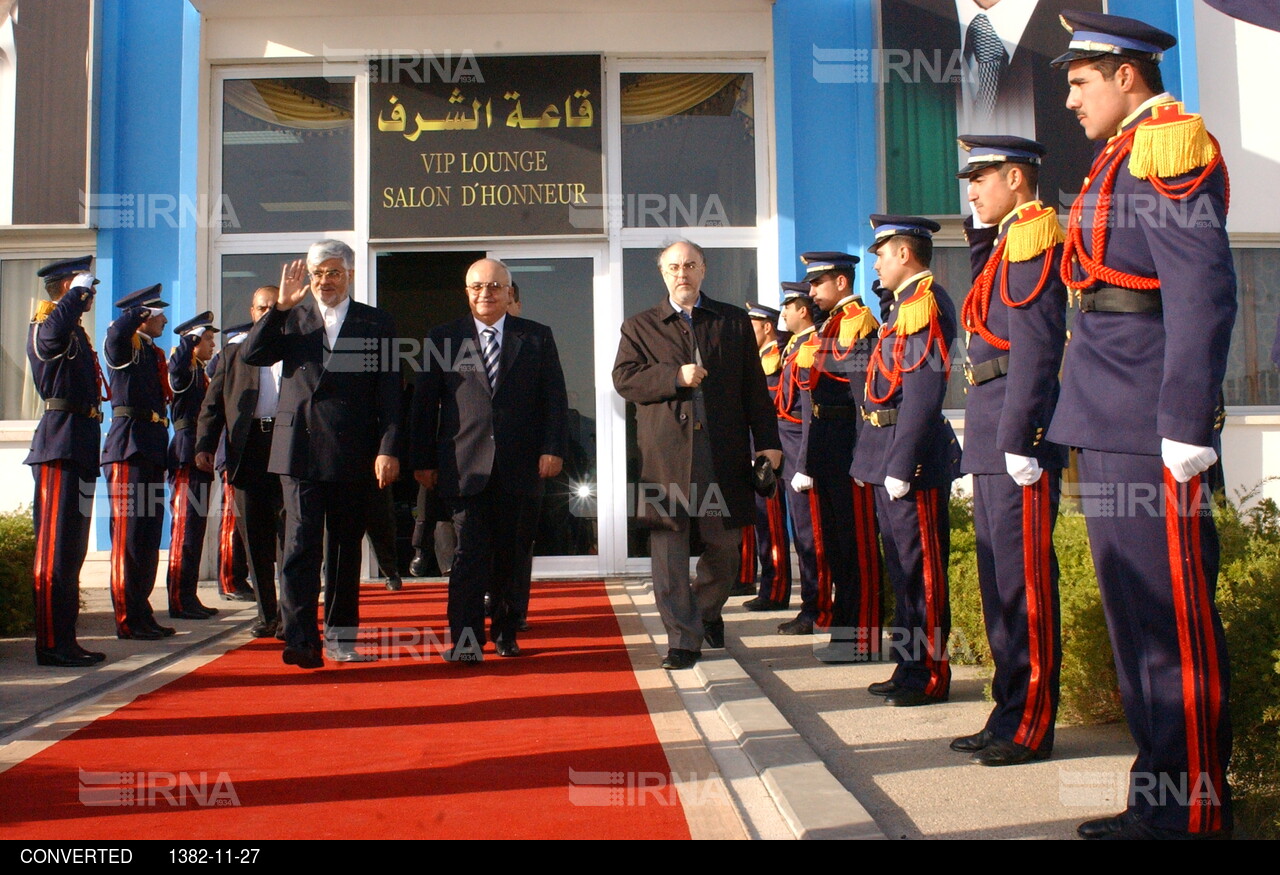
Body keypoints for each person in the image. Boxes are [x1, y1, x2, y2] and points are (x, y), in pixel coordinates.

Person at [1049, 10, 1234, 839]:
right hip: (1108, 412)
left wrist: (1188, 418)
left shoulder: (1168, 147)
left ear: (1128, 74)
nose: (1069, 99)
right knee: (1134, 623)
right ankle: (1159, 797)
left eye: (1080, 81)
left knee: (1172, 621)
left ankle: (1194, 810)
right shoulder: (1114, 160)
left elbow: (1203, 290)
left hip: (1155, 419)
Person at [950, 134, 1067, 766]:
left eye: (982, 179)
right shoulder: (1000, 246)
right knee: (999, 587)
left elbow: (1038, 345)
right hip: (992, 425)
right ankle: (1006, 713)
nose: (971, 192)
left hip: (1015, 430)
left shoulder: (1032, 239)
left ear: (1017, 178)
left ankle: (1031, 723)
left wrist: (1022, 435)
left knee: (1025, 587)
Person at [612, 240, 782, 671]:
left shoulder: (732, 321)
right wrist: (675, 376)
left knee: (725, 545)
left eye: (690, 264)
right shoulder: (640, 326)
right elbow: (624, 380)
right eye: (673, 267)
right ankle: (682, 640)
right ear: (662, 274)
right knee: (669, 552)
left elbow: (754, 390)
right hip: (665, 459)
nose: (682, 273)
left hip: (720, 455)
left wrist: (769, 442)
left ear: (703, 269)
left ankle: (706, 612)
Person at [240, 241, 401, 667]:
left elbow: (389, 393)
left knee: (346, 552)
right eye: (317, 273)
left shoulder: (376, 322)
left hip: (354, 452)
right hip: (299, 452)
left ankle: (341, 640)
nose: (324, 281)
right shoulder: (290, 317)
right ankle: (299, 639)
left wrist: (387, 448)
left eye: (333, 273)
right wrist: (278, 309)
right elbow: (251, 354)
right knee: (299, 547)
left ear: (349, 274)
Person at [409, 258, 568, 662]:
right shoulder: (443, 338)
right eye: (477, 286)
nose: (486, 293)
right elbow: (425, 405)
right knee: (467, 557)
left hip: (521, 466)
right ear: (467, 292)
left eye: (495, 286)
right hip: (465, 467)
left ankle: (505, 633)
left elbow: (555, 400)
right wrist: (422, 459)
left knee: (512, 555)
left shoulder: (536, 337)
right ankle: (466, 642)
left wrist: (553, 448)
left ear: (509, 292)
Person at [851, 216, 960, 706]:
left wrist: (902, 463)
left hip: (908, 458)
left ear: (904, 255)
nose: (875, 262)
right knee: (901, 570)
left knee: (923, 575)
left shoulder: (924, 304)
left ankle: (931, 673)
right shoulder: (900, 308)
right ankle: (908, 663)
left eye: (881, 252)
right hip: (886, 450)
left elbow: (922, 392)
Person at [786, 252, 884, 663]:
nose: (811, 292)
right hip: (828, 447)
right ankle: (845, 634)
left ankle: (862, 639)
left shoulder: (859, 322)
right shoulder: (829, 326)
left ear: (842, 283)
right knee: (840, 549)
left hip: (848, 447)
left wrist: (866, 454)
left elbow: (864, 394)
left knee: (857, 548)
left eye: (818, 284)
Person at [25, 255, 107, 666]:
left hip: (79, 445)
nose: (90, 297)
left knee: (71, 552)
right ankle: (51, 642)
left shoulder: (74, 331)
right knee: (54, 553)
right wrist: (76, 292)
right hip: (59, 445)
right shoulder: (48, 326)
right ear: (66, 288)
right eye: (85, 289)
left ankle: (66, 639)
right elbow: (54, 332)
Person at [195, 288, 285, 639]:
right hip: (248, 451)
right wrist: (205, 444)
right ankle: (267, 615)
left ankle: (292, 613)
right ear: (252, 310)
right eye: (262, 308)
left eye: (274, 308)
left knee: (291, 536)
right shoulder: (233, 354)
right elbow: (213, 404)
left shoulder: (295, 351)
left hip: (287, 446)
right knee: (255, 537)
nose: (267, 314)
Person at [101, 284, 175, 641]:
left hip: (150, 447)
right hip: (127, 448)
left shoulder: (150, 350)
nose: (164, 318)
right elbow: (116, 333)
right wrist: (135, 314)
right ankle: (127, 617)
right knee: (128, 539)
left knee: (147, 538)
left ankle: (142, 611)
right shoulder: (122, 343)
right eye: (157, 312)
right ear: (141, 315)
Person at [753, 282, 821, 617]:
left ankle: (811, 604)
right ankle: (801, 600)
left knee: (807, 535)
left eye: (789, 306)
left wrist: (802, 460)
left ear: (803, 310)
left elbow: (802, 410)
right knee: (773, 526)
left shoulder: (804, 347)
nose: (785, 314)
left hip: (792, 450)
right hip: (784, 448)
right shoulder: (793, 348)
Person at [165, 311, 220, 620]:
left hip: (201, 451)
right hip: (187, 450)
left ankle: (189, 594)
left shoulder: (200, 371)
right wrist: (189, 339)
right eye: (207, 339)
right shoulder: (184, 369)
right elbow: (176, 371)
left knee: (196, 529)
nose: (212, 345)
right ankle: (179, 598)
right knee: (185, 529)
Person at [738, 301, 792, 610]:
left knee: (771, 524)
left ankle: (775, 590)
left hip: (769, 455)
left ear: (767, 327)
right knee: (759, 522)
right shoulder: (758, 359)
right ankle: (761, 583)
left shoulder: (776, 360)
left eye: (753, 325)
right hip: (752, 451)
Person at [204, 321, 256, 604]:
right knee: (232, 522)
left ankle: (238, 576)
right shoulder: (228, 360)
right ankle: (230, 580)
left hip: (242, 455)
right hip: (231, 455)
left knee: (242, 523)